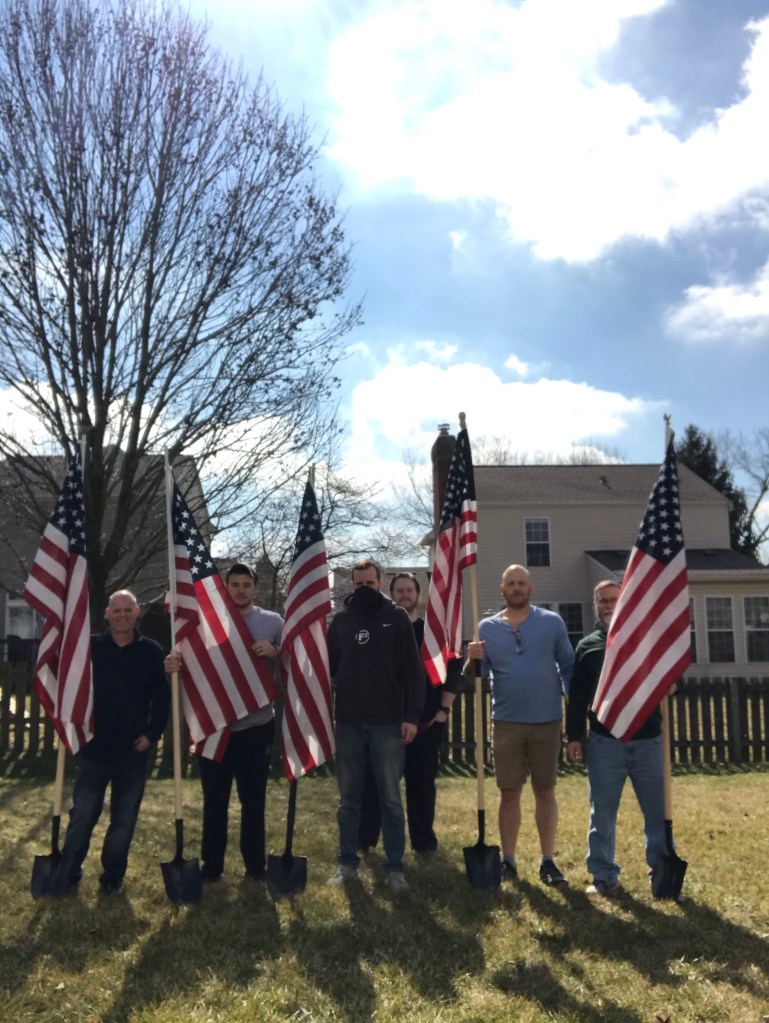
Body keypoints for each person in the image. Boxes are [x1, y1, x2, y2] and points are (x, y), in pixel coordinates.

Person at [165, 562, 282, 882]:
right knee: (214, 800)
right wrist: (173, 663)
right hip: (215, 727)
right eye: (235, 585)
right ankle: (212, 866)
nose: (240, 591)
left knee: (253, 800)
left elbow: (294, 660)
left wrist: (275, 650)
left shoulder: (272, 621)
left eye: (246, 585)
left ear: (255, 587)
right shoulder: (206, 621)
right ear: (225, 587)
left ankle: (255, 866)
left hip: (256, 727)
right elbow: (189, 660)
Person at [465, 564, 574, 886]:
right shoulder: (486, 628)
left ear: (530, 588)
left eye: (521, 583)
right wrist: (471, 658)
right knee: (509, 792)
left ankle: (548, 861)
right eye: (510, 583)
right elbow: (477, 675)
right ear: (502, 589)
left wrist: (574, 716)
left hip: (547, 720)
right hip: (506, 722)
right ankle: (508, 860)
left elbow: (568, 667)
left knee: (545, 790)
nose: (516, 588)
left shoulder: (551, 622)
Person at [57, 590, 170, 895]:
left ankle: (112, 877)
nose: (122, 615)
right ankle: (69, 869)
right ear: (107, 613)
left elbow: (161, 700)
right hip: (95, 749)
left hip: (133, 751)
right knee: (83, 813)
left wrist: (152, 735)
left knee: (124, 819)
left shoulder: (151, 651)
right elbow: (71, 686)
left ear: (137, 612)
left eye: (127, 610)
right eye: (116, 610)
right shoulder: (89, 647)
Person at [327, 559, 425, 891]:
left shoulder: (396, 618)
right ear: (351, 585)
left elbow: (413, 672)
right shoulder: (341, 621)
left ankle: (395, 868)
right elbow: (327, 667)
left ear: (380, 584)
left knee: (391, 801)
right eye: (359, 584)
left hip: (387, 724)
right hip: (349, 724)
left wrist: (411, 717)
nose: (364, 589)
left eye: (370, 583)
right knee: (348, 801)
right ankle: (347, 863)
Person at [565, 580, 667, 896]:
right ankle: (603, 876)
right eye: (603, 601)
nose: (609, 605)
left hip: (648, 739)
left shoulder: (646, 640)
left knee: (658, 812)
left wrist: (673, 685)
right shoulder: (588, 646)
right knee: (603, 814)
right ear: (595, 604)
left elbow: (671, 676)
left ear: (624, 600)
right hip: (604, 742)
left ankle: (663, 874)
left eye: (613, 599)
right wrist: (574, 736)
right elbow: (577, 695)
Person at [358, 571, 458, 855]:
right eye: (399, 590)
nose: (404, 595)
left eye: (409, 590)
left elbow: (453, 670)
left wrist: (443, 709)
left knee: (421, 785)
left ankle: (423, 843)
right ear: (390, 594)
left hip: (425, 723)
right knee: (375, 784)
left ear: (418, 594)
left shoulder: (432, 635)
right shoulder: (381, 630)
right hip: (384, 724)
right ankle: (365, 839)